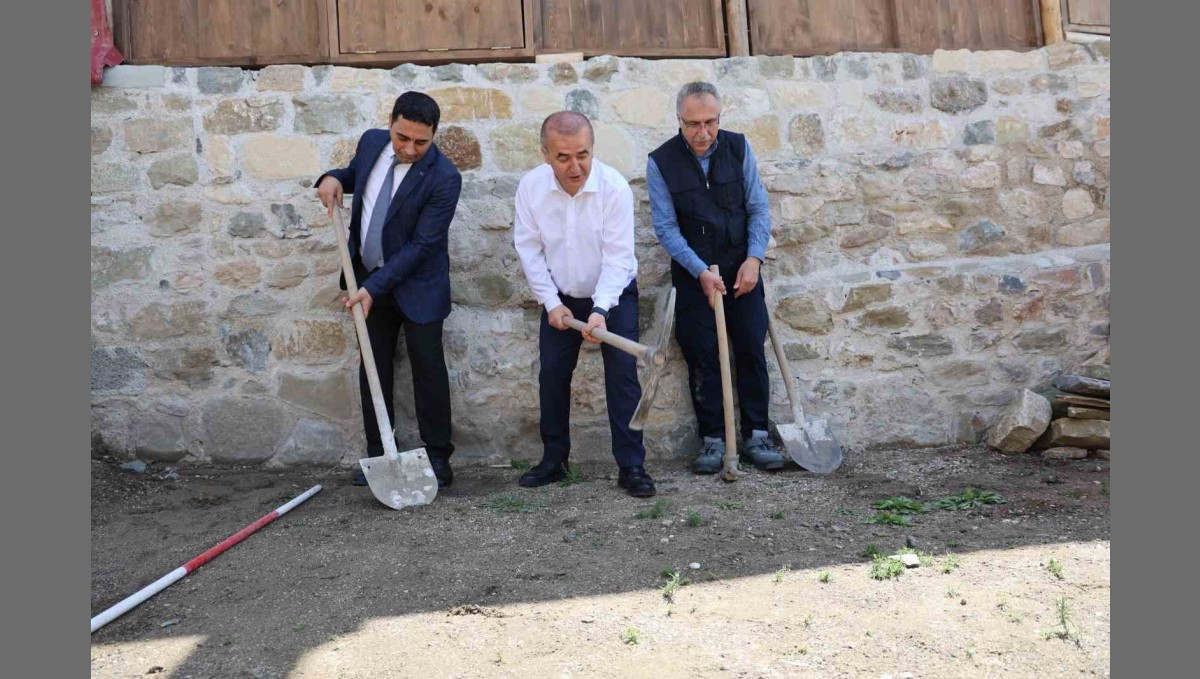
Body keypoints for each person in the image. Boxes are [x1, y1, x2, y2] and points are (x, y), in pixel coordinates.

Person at [315, 91, 461, 490]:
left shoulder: (445, 178)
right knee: (373, 367)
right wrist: (333, 177)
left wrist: (373, 287)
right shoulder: (371, 143)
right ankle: (381, 455)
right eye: (402, 137)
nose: (410, 149)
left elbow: (423, 245)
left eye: (421, 142)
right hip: (367, 279)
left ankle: (438, 458)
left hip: (418, 285)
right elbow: (357, 175)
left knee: (428, 369)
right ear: (390, 124)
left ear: (434, 134)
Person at [512, 111, 655, 498]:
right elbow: (529, 250)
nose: (575, 167)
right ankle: (554, 460)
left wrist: (601, 309)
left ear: (593, 149)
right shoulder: (531, 187)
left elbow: (619, 258)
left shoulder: (614, 188)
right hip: (559, 296)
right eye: (563, 157)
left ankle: (632, 465)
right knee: (552, 374)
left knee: (622, 376)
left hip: (614, 294)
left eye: (583, 155)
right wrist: (550, 302)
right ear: (545, 154)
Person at [646, 81, 787, 474]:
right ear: (679, 120)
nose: (703, 132)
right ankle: (713, 438)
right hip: (694, 276)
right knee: (702, 354)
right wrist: (699, 272)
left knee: (751, 348)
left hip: (742, 270)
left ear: (720, 118)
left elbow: (758, 207)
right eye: (693, 124)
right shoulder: (661, 162)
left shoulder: (738, 148)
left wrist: (754, 259)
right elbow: (666, 228)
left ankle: (757, 434)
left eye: (710, 122)